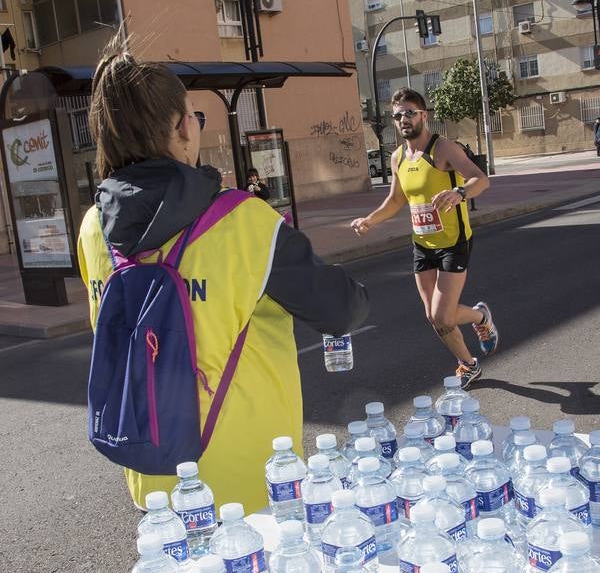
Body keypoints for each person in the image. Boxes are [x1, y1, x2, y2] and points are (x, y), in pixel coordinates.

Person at [78, 35, 369, 512]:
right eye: (194, 115)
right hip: (252, 486)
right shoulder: (244, 221)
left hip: (156, 483)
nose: (196, 125)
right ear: (181, 130)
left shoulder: (93, 228)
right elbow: (342, 309)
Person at [351, 88, 497, 389]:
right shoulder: (398, 157)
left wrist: (459, 193)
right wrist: (369, 221)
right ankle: (468, 365)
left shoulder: (443, 148)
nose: (403, 119)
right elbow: (395, 200)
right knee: (434, 317)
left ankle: (480, 317)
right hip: (422, 245)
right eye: (397, 115)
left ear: (423, 115)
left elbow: (480, 179)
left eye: (409, 113)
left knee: (442, 315)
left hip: (453, 242)